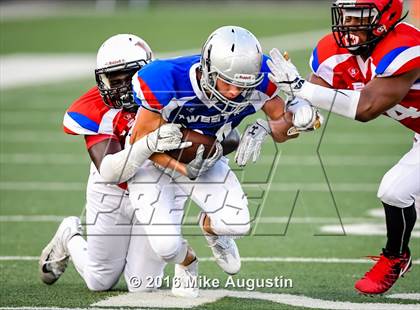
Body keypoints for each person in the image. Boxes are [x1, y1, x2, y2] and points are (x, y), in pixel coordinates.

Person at [127, 25, 322, 293]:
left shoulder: (261, 77)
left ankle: (210, 226)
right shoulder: (165, 79)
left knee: (237, 224)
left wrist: (300, 114)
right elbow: (140, 142)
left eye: (242, 85)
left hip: (206, 157)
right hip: (154, 161)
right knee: (166, 248)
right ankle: (187, 261)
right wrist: (181, 167)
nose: (233, 91)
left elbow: (282, 125)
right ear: (208, 69)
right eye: (227, 81)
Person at [266, 0, 419, 295]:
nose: (348, 24)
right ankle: (396, 257)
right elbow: (304, 104)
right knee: (395, 191)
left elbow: (365, 108)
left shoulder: (406, 46)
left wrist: (301, 87)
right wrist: (277, 122)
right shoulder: (332, 53)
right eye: (346, 14)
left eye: (359, 16)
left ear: (385, 17)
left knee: (397, 190)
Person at [38, 34, 194, 294]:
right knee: (100, 281)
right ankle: (69, 235)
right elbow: (111, 171)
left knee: (143, 286)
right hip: (112, 190)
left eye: (129, 77)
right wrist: (149, 143)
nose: (121, 87)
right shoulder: (93, 108)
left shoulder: (170, 92)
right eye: (114, 79)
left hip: (158, 188)